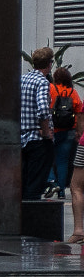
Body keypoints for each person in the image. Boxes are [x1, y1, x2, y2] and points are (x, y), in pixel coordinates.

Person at [25, 47, 58, 201]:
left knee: (26, 178)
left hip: (22, 137)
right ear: (49, 64)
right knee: (37, 179)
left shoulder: (22, 80)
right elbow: (43, 109)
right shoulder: (42, 83)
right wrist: (46, 133)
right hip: (37, 137)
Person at [54, 67, 80, 204]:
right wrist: (77, 130)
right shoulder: (73, 92)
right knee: (63, 161)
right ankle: (62, 191)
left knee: (49, 158)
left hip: (53, 130)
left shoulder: (51, 89)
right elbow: (79, 110)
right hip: (69, 130)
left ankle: (51, 183)